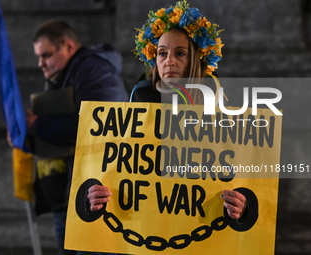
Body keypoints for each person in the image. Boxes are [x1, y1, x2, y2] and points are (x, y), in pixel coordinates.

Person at [87, 1, 247, 221]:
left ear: (195, 59)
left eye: (180, 53)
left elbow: (239, 174)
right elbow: (117, 166)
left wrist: (241, 205)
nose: (169, 61)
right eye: (162, 53)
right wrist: (97, 193)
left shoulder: (221, 105)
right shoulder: (139, 100)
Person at [27, 20, 128, 255]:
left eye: (46, 55)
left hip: (91, 195)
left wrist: (37, 125)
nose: (40, 63)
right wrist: (26, 136)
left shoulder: (94, 70)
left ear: (68, 46)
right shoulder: (67, 76)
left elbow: (99, 124)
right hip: (70, 194)